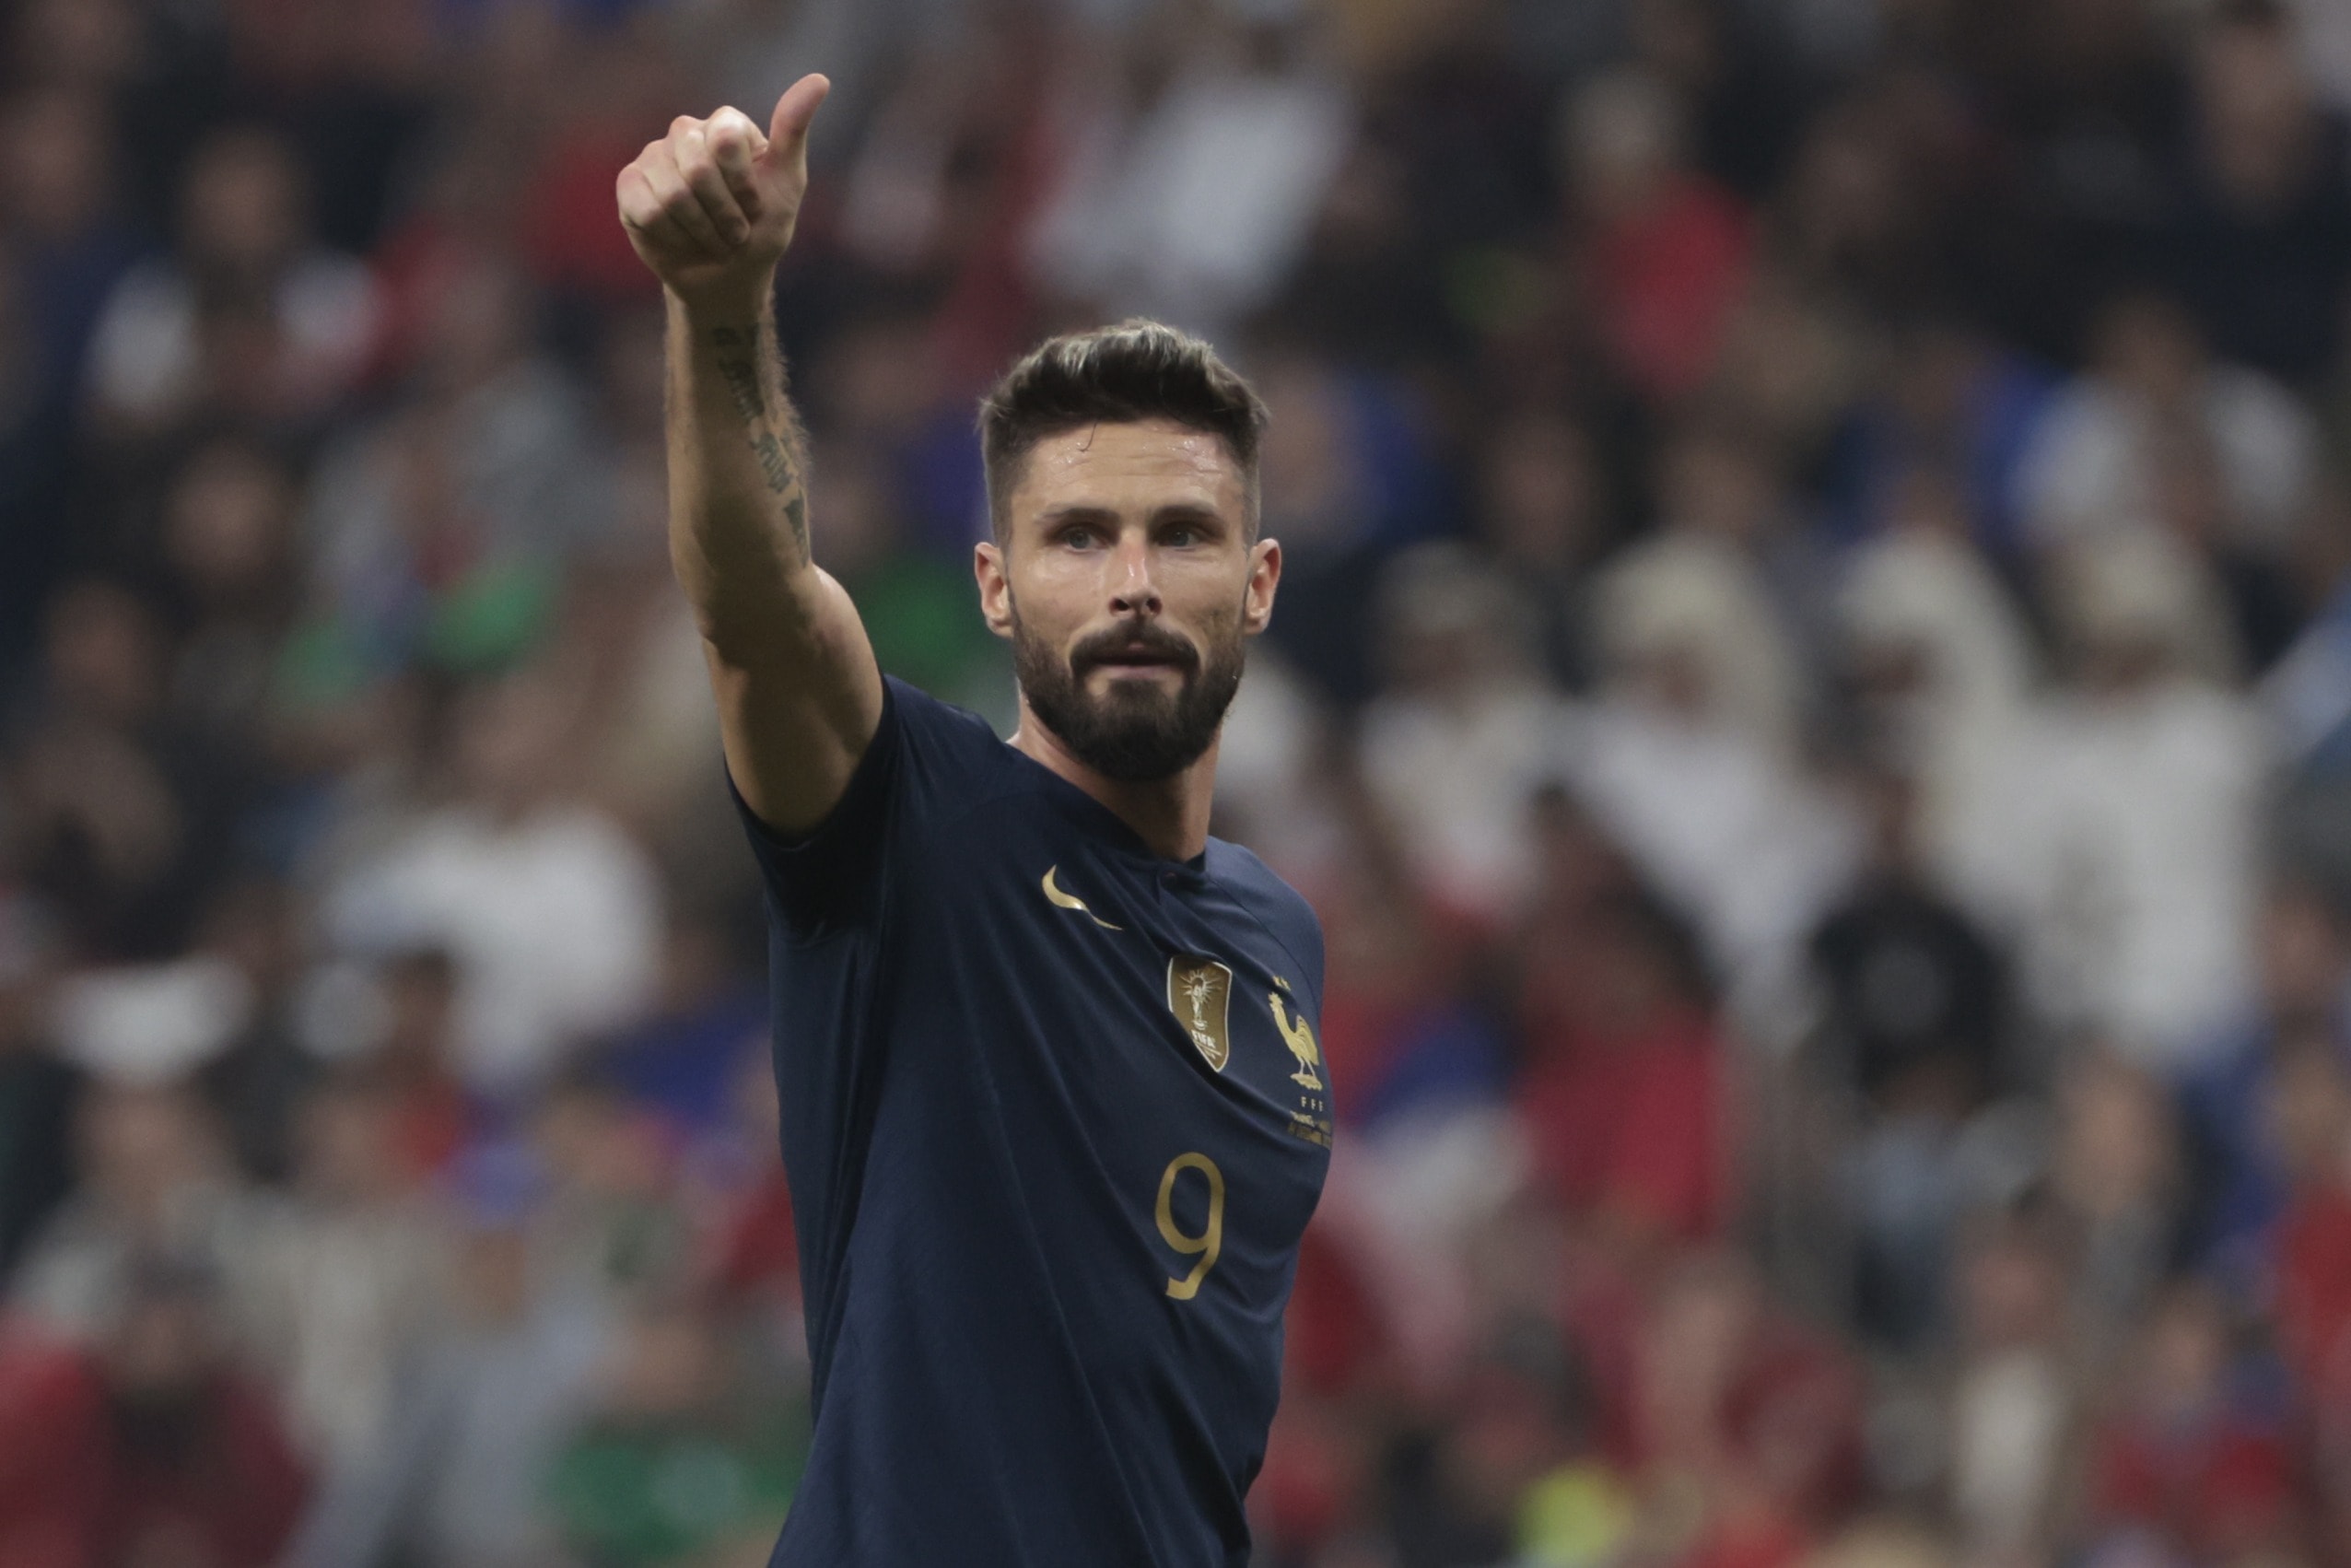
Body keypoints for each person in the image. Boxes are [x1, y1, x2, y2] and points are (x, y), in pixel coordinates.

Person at [614, 73, 1334, 1566]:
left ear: (1257, 584)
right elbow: (759, 607)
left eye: (1182, 534)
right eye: (1078, 537)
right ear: (998, 589)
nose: (1132, 582)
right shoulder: (918, 829)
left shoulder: (1276, 936)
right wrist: (720, 305)